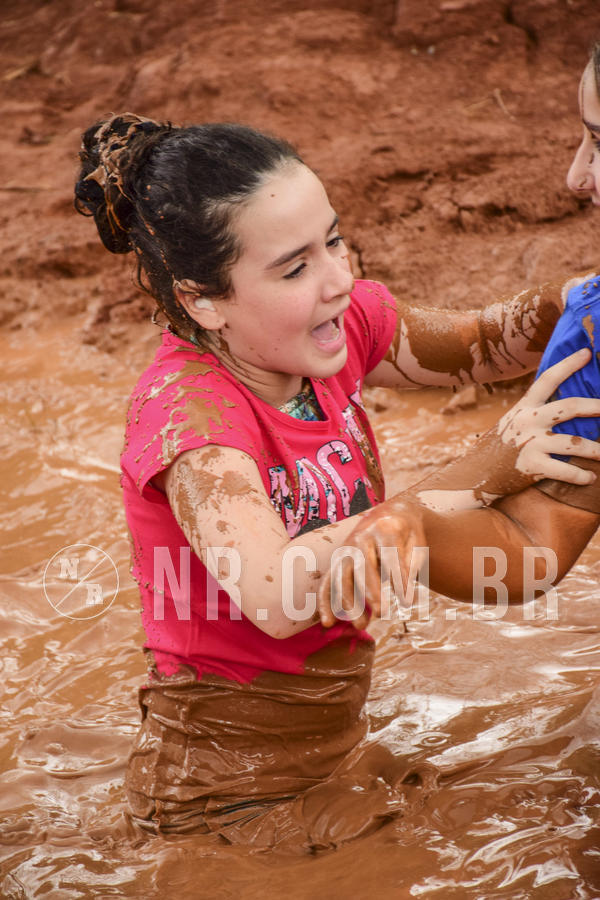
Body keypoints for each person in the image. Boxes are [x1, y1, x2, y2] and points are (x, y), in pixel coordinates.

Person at [74, 111, 600, 847]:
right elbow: (277, 597)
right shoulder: (191, 422)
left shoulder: (333, 332)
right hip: (225, 803)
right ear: (202, 299)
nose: (338, 280)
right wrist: (483, 464)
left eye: (334, 241)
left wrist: (580, 303)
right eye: (294, 268)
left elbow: (485, 344)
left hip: (321, 761)